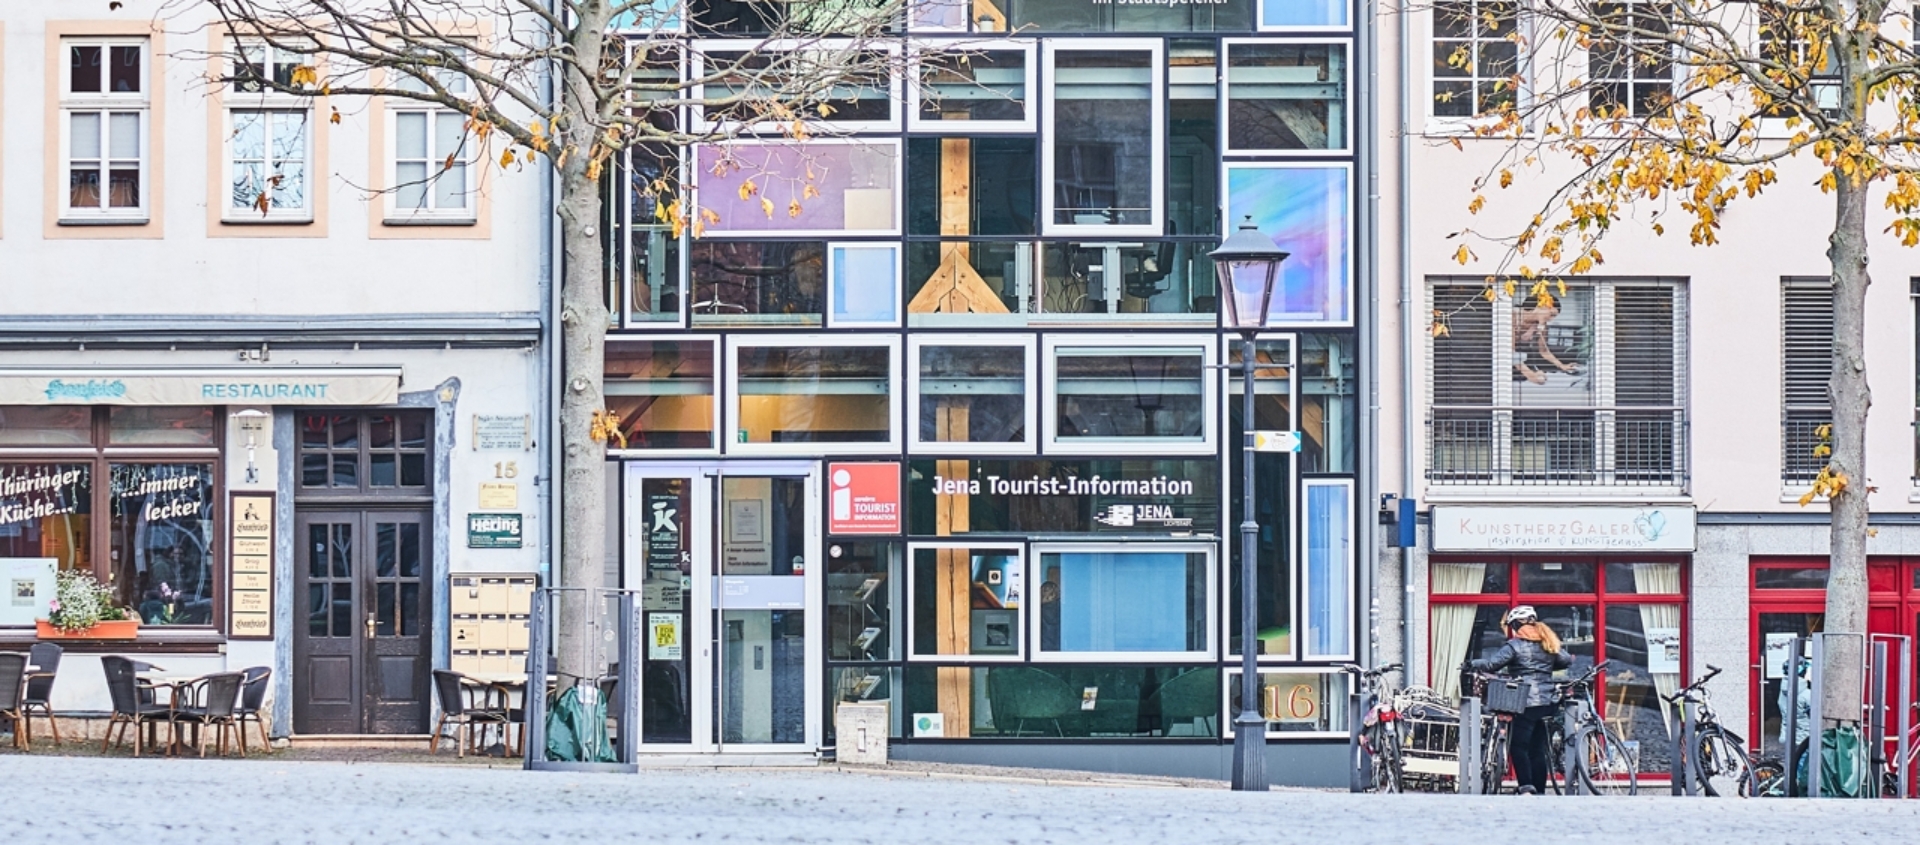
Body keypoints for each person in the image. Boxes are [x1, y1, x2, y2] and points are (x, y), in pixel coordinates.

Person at [1468, 605, 1571, 795]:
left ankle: (1526, 786)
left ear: (1517, 624)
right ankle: (1539, 789)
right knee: (1537, 748)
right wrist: (1546, 665)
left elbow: (1492, 664)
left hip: (1525, 702)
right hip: (1547, 702)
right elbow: (1565, 660)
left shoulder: (1514, 645)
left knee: (1518, 746)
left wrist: (1471, 664)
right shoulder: (1547, 641)